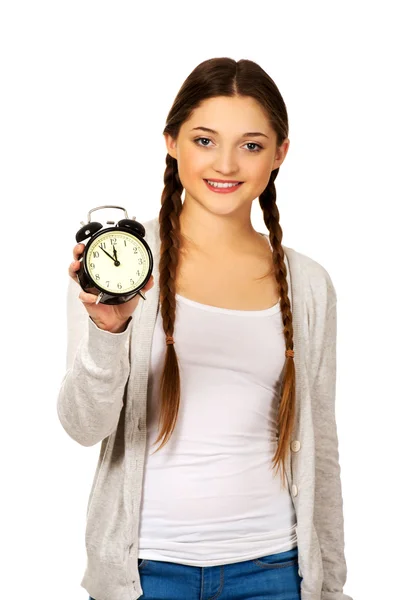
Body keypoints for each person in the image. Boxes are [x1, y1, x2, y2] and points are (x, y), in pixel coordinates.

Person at [58, 57, 353, 600]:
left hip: (273, 571)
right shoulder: (121, 264)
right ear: (171, 142)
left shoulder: (308, 285)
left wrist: (329, 585)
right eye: (204, 140)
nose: (226, 163)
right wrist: (109, 332)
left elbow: (322, 447)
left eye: (251, 144)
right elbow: (83, 425)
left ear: (280, 154)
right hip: (146, 574)